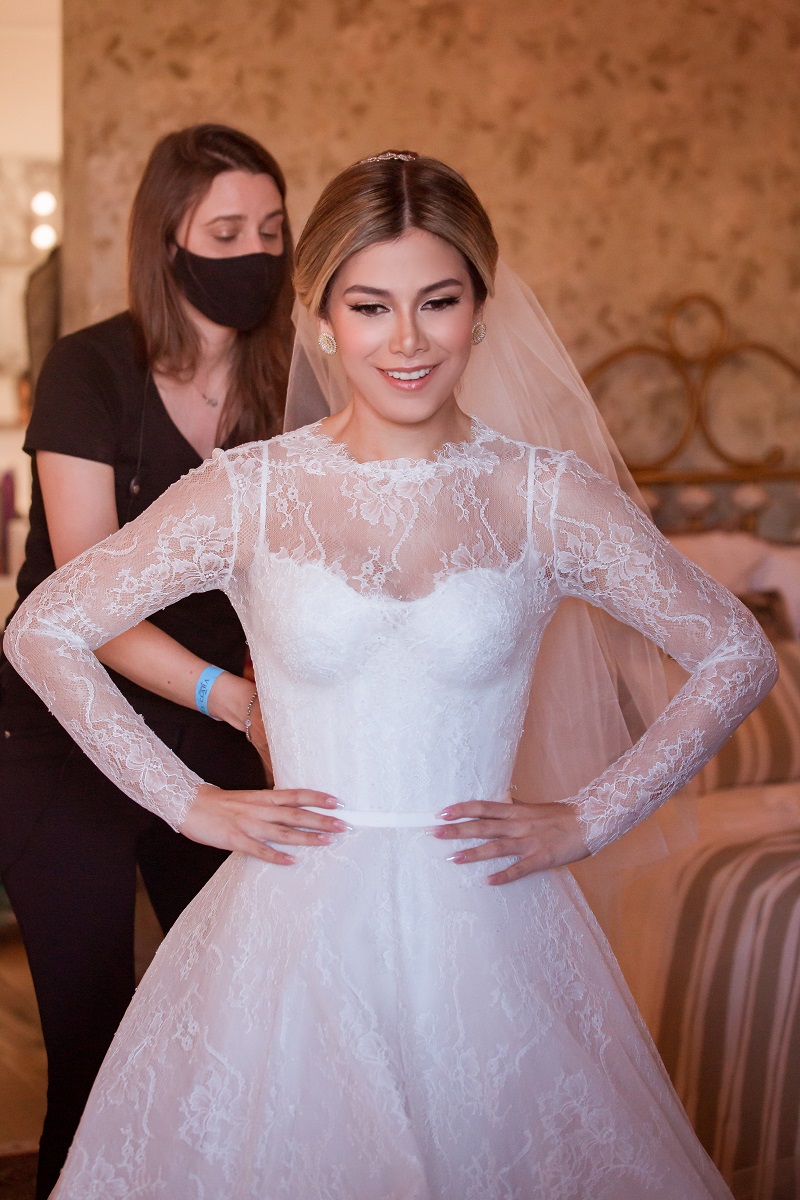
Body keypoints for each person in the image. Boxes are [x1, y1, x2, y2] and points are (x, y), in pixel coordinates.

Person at [5, 151, 776, 1199]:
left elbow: (735, 651)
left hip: (493, 924)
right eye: (370, 306)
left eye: (437, 302)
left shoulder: (543, 494)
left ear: (480, 311)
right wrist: (191, 804)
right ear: (322, 319)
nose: (406, 340)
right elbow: (46, 627)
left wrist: (586, 818)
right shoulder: (253, 491)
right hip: (290, 930)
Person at [0, 123, 302, 1199]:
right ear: (165, 241)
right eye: (225, 232)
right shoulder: (88, 369)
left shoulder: (292, 384)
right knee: (94, 1046)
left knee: (234, 1024)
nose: (254, 252)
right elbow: (80, 600)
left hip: (215, 729)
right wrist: (236, 700)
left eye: (271, 230)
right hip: (63, 727)